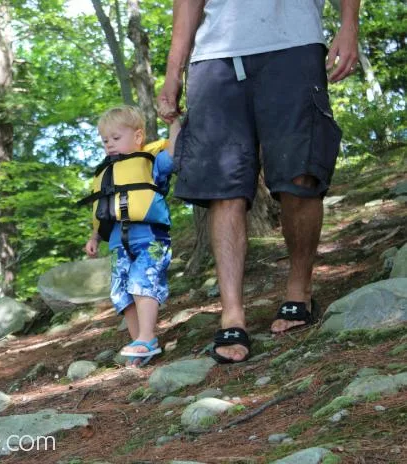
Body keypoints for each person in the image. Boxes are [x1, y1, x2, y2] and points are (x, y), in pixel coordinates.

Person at [157, 0, 360, 363]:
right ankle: (232, 314)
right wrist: (174, 71)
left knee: (300, 176)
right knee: (225, 189)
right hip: (214, 56)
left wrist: (349, 26)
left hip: (294, 44)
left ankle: (299, 289)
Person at [82, 105, 180, 368]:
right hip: (116, 241)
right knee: (121, 292)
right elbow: (102, 211)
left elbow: (174, 153)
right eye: (105, 141)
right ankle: (139, 343)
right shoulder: (106, 172)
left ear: (137, 137)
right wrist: (94, 238)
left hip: (150, 237)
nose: (110, 145)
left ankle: (147, 336)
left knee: (143, 280)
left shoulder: (150, 162)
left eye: (116, 138)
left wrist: (174, 121)